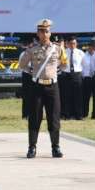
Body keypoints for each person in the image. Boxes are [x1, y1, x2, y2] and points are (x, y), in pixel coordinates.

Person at [19, 18, 68, 159]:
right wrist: (33, 73)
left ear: (50, 33)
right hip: (37, 86)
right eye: (42, 31)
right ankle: (32, 147)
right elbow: (22, 65)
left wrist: (55, 72)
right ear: (38, 33)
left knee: (54, 118)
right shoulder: (32, 49)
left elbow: (64, 65)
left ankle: (55, 147)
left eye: (47, 31)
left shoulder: (58, 48)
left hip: (52, 86)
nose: (45, 34)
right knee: (34, 117)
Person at [61, 36, 85, 120]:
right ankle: (67, 115)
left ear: (76, 44)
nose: (72, 45)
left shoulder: (80, 53)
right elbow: (61, 64)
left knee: (78, 96)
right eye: (71, 43)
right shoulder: (64, 52)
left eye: (74, 43)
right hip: (67, 75)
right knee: (67, 96)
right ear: (67, 44)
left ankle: (78, 115)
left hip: (77, 75)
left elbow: (83, 64)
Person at [81, 40, 95, 120]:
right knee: (85, 97)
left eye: (93, 47)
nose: (92, 49)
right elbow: (81, 67)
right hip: (86, 78)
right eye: (90, 47)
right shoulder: (83, 56)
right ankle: (84, 113)